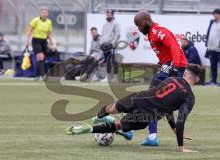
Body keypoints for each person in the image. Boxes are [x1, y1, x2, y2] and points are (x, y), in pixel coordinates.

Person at [66, 65, 201, 153]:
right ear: (197, 79)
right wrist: (181, 147)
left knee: (113, 108)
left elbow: (167, 106)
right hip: (148, 115)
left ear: (185, 74)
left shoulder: (172, 79)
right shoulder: (189, 97)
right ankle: (89, 129)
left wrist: (174, 129)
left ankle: (98, 116)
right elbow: (179, 120)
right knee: (118, 125)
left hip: (139, 98)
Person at [133, 10, 188, 146]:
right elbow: (166, 52)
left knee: (151, 97)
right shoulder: (152, 33)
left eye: (139, 25)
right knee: (161, 100)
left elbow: (174, 46)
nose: (139, 29)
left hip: (174, 65)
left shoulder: (158, 31)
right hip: (169, 65)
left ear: (146, 22)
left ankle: (149, 135)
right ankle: (154, 134)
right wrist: (163, 62)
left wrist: (174, 66)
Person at [25, 7, 53, 80]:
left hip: (44, 41)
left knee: (41, 59)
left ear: (48, 14)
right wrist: (27, 41)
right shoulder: (35, 20)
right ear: (40, 14)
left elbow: (49, 33)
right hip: (36, 41)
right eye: (42, 13)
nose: (44, 14)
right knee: (40, 57)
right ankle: (43, 75)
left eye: (45, 13)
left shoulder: (49, 22)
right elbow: (29, 31)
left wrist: (51, 41)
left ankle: (37, 75)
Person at [100, 9, 121, 82]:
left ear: (112, 15)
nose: (109, 15)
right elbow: (102, 35)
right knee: (107, 61)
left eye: (110, 14)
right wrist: (102, 43)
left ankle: (115, 78)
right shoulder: (104, 25)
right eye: (108, 14)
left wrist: (113, 43)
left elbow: (117, 34)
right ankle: (108, 77)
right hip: (105, 47)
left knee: (113, 61)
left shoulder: (116, 24)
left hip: (112, 46)